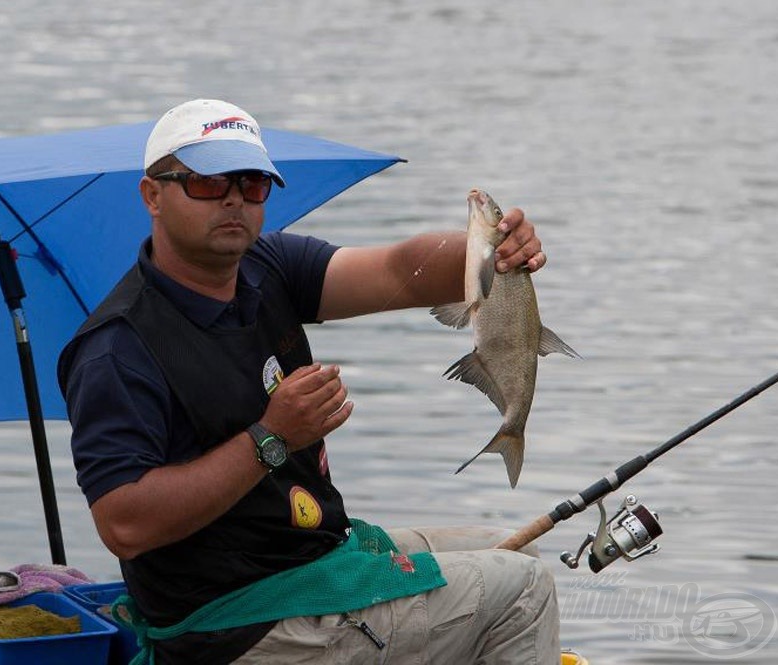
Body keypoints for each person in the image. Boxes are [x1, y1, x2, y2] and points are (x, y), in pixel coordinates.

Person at [58, 98, 559, 664]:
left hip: (316, 564)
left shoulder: (265, 267)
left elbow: (402, 271)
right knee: (523, 590)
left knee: (515, 551)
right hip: (241, 626)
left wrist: (487, 252)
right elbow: (123, 524)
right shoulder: (116, 350)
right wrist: (270, 438)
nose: (233, 199)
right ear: (153, 195)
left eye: (252, 185)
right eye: (207, 183)